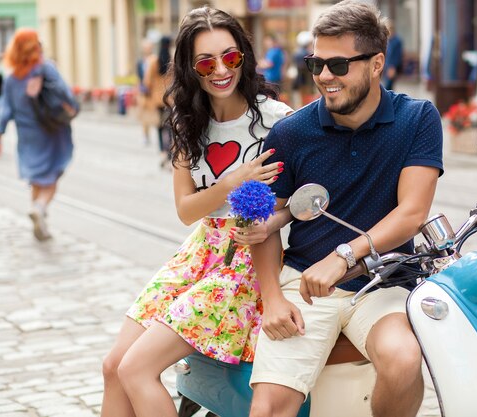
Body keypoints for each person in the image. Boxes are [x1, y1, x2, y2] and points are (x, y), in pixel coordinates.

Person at [248, 1, 443, 417]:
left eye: (338, 65)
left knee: (403, 359)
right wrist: (271, 297)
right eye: (315, 63)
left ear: (376, 64)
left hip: (384, 281)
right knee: (268, 408)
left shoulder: (417, 118)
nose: (323, 77)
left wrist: (344, 256)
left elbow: (412, 213)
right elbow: (264, 225)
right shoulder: (290, 132)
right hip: (303, 283)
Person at [100, 6, 293, 417]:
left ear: (244, 56)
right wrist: (230, 182)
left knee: (136, 369)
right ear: (190, 67)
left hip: (247, 263)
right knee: (113, 366)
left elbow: (295, 205)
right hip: (200, 251)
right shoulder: (189, 122)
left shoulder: (279, 123)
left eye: (231, 57)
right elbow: (186, 210)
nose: (220, 69)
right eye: (206, 61)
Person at [0, 29, 77, 241]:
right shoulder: (45, 68)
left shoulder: (12, 78)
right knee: (52, 175)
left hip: (26, 135)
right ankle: (40, 208)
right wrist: (73, 107)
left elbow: (6, 109)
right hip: (51, 131)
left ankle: (39, 219)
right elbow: (64, 93)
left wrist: (0, 134)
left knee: (36, 179)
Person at [144, 35, 173, 167]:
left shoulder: (153, 61)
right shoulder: (172, 60)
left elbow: (147, 81)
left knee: (160, 127)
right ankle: (171, 151)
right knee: (172, 126)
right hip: (171, 98)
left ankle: (162, 150)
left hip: (157, 99)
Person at [135, 38, 159, 146]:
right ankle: (145, 135)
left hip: (154, 91)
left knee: (155, 114)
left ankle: (157, 134)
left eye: (149, 47)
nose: (147, 49)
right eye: (145, 47)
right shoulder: (140, 62)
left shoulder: (155, 59)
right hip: (143, 92)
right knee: (144, 115)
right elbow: (139, 76)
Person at [291, 31, 314, 107]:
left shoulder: (297, 52)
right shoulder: (306, 54)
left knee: (302, 100)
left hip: (300, 80)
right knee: (306, 100)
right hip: (305, 80)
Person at [382, 21, 403, 90]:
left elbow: (397, 55)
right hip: (386, 66)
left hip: (392, 67)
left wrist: (393, 67)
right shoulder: (388, 40)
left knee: (388, 87)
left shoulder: (397, 41)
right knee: (386, 86)